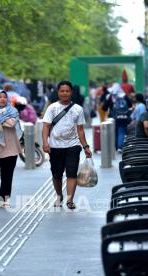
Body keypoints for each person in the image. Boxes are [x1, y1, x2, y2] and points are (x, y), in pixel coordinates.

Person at [42, 80, 92, 210]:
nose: (65, 93)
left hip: (73, 145)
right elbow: (46, 126)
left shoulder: (78, 109)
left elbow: (80, 130)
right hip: (55, 146)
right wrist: (45, 143)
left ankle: (70, 200)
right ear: (58, 92)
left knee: (72, 173)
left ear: (71, 92)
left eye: (67, 91)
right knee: (56, 175)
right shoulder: (52, 108)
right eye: (62, 91)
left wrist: (86, 146)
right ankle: (59, 196)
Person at [102, 83, 132, 153]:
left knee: (114, 132)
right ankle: (120, 147)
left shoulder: (110, 96)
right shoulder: (124, 96)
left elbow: (104, 108)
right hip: (123, 117)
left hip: (113, 118)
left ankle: (115, 147)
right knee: (121, 131)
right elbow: (130, 105)